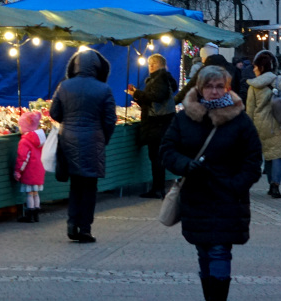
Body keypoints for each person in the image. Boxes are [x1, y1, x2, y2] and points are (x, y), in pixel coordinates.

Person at [161, 65, 262, 301]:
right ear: (200, 88)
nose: (214, 92)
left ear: (227, 89)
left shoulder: (240, 120)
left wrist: (236, 185)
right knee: (204, 251)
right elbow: (167, 149)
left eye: (219, 87)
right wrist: (185, 164)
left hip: (227, 197)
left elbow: (253, 159)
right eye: (209, 86)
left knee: (219, 250)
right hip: (196, 197)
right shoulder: (184, 118)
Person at [50, 48, 116, 243]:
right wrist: (103, 138)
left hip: (68, 139)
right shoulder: (104, 89)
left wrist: (67, 121)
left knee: (75, 185)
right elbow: (110, 120)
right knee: (89, 187)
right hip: (93, 140)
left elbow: (54, 113)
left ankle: (72, 224)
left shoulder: (64, 86)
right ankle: (85, 228)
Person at [246, 50, 281, 199]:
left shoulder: (254, 86)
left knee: (268, 153)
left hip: (261, 124)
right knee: (278, 155)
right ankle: (275, 185)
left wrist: (247, 129)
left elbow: (250, 109)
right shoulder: (280, 81)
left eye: (255, 66)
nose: (253, 69)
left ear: (261, 67)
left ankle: (271, 181)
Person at [129, 53, 178, 199]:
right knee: (157, 157)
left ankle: (157, 189)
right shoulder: (166, 77)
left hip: (156, 124)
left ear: (156, 64)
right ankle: (158, 188)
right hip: (162, 123)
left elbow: (156, 97)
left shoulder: (159, 79)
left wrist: (137, 93)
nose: (149, 67)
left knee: (156, 157)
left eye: (151, 64)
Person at [13, 110, 46, 223]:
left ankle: (29, 214)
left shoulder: (25, 141)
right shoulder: (40, 139)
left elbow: (23, 158)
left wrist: (18, 171)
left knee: (29, 193)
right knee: (36, 193)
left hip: (29, 171)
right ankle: (36, 214)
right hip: (39, 169)